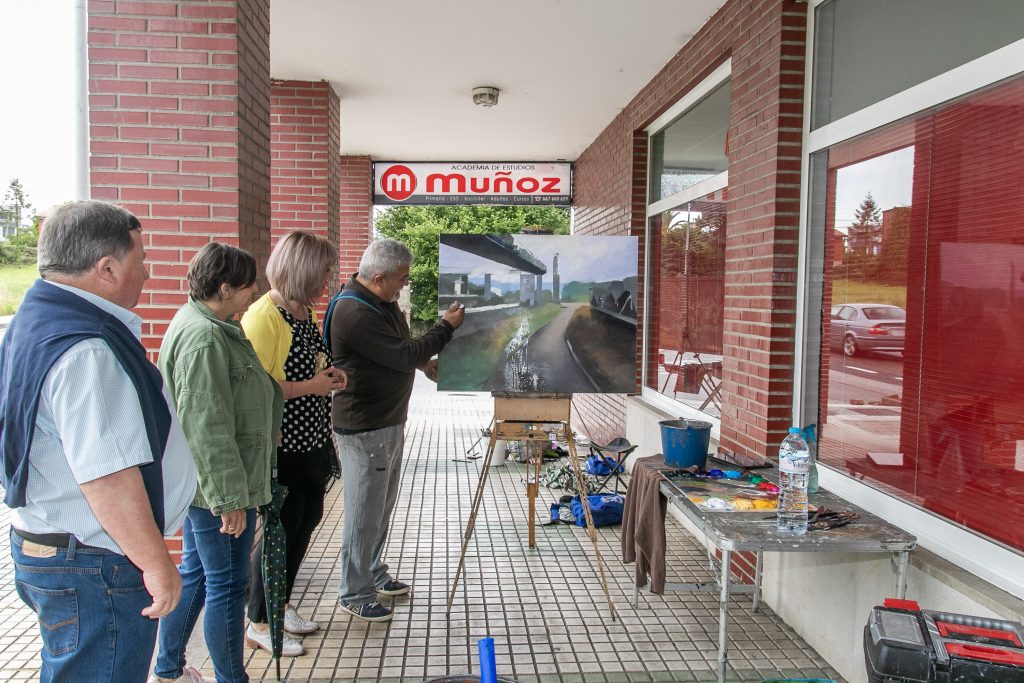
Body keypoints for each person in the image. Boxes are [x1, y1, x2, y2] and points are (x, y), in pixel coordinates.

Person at [0, 200, 197, 683]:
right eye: (141, 259)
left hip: (57, 549)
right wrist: (157, 565)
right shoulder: (87, 349)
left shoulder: (36, 319)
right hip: (94, 564)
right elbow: (107, 477)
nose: (148, 272)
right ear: (106, 268)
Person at [150, 243, 283, 683]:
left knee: (198, 573)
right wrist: (228, 500)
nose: (254, 295)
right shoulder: (204, 337)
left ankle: (169, 668)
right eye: (249, 288)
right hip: (219, 488)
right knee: (227, 585)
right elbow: (206, 424)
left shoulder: (210, 323)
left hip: (209, 484)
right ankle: (231, 678)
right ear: (225, 288)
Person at [330, 238, 465, 622]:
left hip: (388, 421)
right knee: (363, 512)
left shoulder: (380, 303)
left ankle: (372, 571)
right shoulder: (355, 312)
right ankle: (354, 592)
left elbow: (396, 349)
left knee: (380, 507)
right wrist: (445, 328)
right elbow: (403, 353)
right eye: (401, 279)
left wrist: (422, 365)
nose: (404, 285)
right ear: (377, 277)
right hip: (365, 426)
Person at [240, 231, 347, 655]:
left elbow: (314, 366)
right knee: (279, 532)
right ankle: (259, 621)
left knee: (304, 524)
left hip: (313, 443)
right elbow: (255, 390)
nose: (328, 278)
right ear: (302, 270)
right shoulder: (264, 317)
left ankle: (280, 605)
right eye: (323, 270)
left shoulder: (302, 312)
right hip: (283, 446)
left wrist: (332, 376)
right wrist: (311, 386)